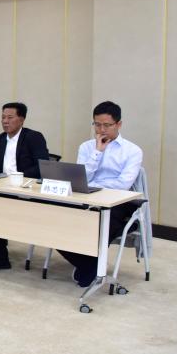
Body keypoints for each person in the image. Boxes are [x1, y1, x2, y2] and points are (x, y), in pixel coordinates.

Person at [56, 101, 142, 287]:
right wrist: (97, 152)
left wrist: (95, 185)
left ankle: (89, 265)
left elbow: (123, 184)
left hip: (117, 201)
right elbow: (81, 178)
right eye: (97, 124)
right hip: (86, 196)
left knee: (101, 226)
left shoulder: (132, 151)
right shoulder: (86, 147)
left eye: (107, 125)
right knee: (56, 220)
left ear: (119, 124)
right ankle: (91, 265)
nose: (101, 130)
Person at [0, 103, 51, 270]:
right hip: (2, 187)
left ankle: (0, 257)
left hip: (26, 188)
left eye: (10, 117)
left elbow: (42, 165)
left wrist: (17, 176)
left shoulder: (33, 137)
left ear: (21, 119)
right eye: (3, 117)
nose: (5, 121)